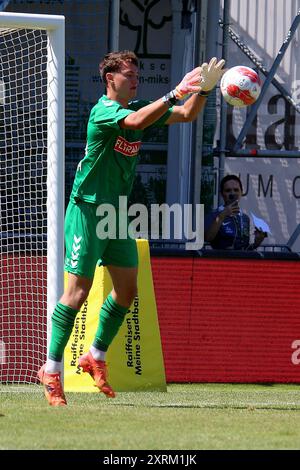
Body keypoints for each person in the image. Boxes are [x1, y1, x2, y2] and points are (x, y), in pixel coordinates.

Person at [38, 51, 226, 406]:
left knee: (126, 292)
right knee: (77, 293)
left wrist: (203, 91)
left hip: (116, 214)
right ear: (110, 79)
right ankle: (50, 369)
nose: (135, 78)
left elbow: (186, 115)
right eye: (128, 73)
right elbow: (138, 122)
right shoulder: (104, 111)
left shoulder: (139, 105)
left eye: (137, 73)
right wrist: (174, 92)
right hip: (87, 211)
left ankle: (95, 356)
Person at [204, 174, 266, 251]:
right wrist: (223, 215)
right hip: (221, 260)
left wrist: (258, 240)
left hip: (240, 261)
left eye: (236, 190)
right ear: (222, 194)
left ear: (241, 192)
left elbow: (246, 247)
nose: (232, 193)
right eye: (228, 190)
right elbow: (208, 238)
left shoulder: (245, 218)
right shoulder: (213, 215)